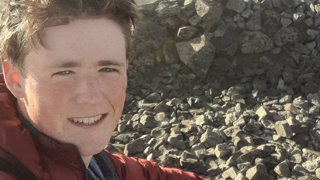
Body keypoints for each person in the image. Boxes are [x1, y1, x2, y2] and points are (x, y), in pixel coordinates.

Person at [0, 0, 208, 179]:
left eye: (107, 69)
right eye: (65, 72)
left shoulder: (95, 165)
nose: (91, 96)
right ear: (16, 79)